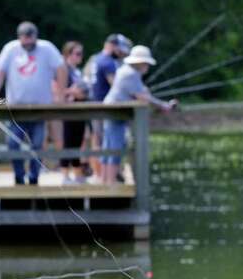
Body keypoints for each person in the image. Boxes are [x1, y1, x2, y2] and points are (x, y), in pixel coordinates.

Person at [0, 21, 66, 185]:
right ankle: (19, 176)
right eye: (25, 42)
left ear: (35, 37)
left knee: (38, 144)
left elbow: (61, 69)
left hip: (40, 108)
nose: (28, 45)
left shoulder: (47, 48)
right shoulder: (10, 49)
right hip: (15, 109)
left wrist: (61, 93)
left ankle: (33, 177)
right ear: (20, 38)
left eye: (31, 42)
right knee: (12, 144)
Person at [101, 45, 176, 185]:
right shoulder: (131, 74)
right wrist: (163, 105)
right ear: (140, 62)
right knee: (116, 146)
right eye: (146, 63)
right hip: (115, 113)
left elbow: (141, 92)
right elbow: (142, 96)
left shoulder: (125, 70)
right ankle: (110, 182)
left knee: (109, 146)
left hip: (111, 112)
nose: (147, 66)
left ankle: (105, 179)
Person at [88, 34, 132, 180]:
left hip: (94, 105)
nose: (121, 53)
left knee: (97, 140)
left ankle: (98, 174)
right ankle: (106, 176)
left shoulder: (95, 59)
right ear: (112, 46)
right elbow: (116, 86)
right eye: (120, 50)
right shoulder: (108, 62)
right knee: (109, 142)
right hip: (105, 108)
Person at [58, 41, 89, 182]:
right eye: (77, 53)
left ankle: (77, 174)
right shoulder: (62, 69)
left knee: (78, 141)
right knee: (68, 141)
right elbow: (57, 89)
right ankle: (64, 174)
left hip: (80, 109)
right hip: (67, 110)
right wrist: (73, 92)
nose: (80, 56)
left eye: (81, 53)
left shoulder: (77, 71)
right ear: (67, 54)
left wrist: (80, 93)